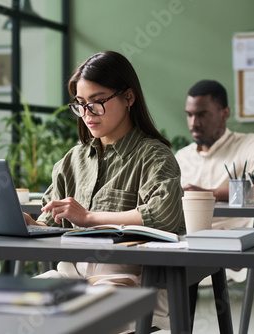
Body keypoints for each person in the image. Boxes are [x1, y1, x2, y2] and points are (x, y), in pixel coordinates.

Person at [23, 51, 185, 332]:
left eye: (97, 103)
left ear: (128, 97)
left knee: (78, 321)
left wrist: (88, 218)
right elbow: (49, 226)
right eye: (81, 104)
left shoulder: (154, 156)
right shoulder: (71, 162)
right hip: (70, 274)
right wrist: (27, 225)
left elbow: (163, 216)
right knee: (7, 310)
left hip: (130, 280)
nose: (87, 114)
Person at [175, 80, 254, 230]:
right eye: (190, 115)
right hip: (186, 242)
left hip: (236, 244)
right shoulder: (182, 156)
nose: (194, 123)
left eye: (202, 115)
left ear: (225, 113)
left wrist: (212, 195)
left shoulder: (247, 144)